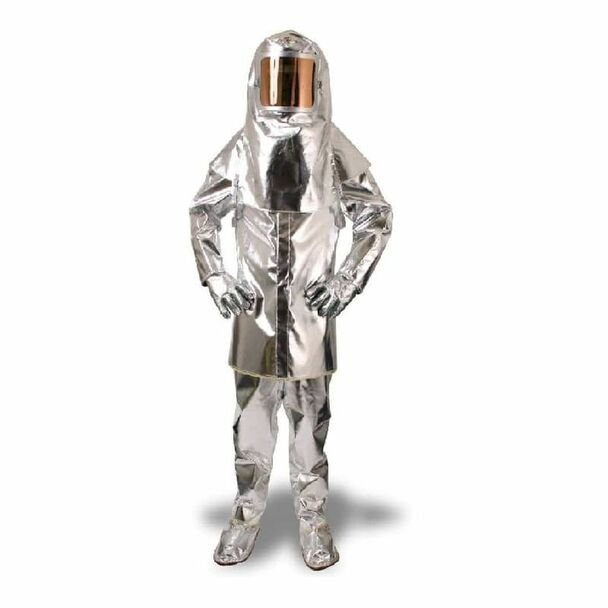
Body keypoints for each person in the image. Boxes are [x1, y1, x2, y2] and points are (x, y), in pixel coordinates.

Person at [190, 30, 392, 570]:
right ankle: (246, 515)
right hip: (255, 316)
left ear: (317, 84)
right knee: (250, 427)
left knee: (309, 429)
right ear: (256, 82)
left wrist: (346, 281)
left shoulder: (333, 149)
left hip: (309, 315)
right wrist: (217, 276)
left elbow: (376, 216)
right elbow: (203, 212)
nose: (285, 95)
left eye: (297, 79)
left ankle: (312, 518)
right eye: (277, 77)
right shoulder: (241, 149)